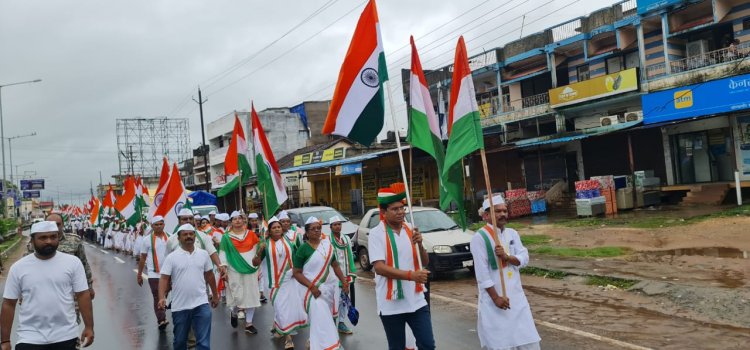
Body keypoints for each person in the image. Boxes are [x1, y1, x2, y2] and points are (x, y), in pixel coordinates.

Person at [1, 221, 94, 350]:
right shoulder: (18, 268)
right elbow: (9, 304)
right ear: (32, 240)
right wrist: (5, 340)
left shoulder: (73, 263)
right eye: (43, 238)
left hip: (66, 336)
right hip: (29, 338)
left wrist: (89, 327)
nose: (49, 241)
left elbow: (83, 295)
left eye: (53, 237)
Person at [471, 195, 541, 350]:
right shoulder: (479, 238)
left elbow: (524, 258)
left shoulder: (512, 233)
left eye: (504, 210)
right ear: (486, 215)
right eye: (498, 211)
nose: (503, 214)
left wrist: (507, 257)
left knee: (529, 342)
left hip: (516, 299)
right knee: (501, 344)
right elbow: (482, 275)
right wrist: (496, 298)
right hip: (495, 302)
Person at [369, 184, 434, 350]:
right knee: (397, 346)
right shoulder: (376, 234)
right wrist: (411, 276)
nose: (400, 212)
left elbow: (424, 261)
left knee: (427, 344)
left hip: (416, 300)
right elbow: (379, 268)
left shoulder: (410, 228)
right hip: (391, 303)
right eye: (395, 209)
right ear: (383, 212)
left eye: (402, 208)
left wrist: (420, 244)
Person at [158, 224, 219, 350]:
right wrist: (161, 297)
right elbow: (164, 278)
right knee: (180, 342)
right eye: (185, 234)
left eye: (191, 234)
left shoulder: (203, 254)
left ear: (195, 236)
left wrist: (215, 295)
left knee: (203, 343)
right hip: (180, 306)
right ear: (179, 238)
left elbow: (210, 276)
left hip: (201, 304)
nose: (188, 236)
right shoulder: (172, 257)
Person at [293, 217, 350, 350]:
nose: (317, 231)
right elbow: (296, 272)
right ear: (306, 232)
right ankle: (330, 346)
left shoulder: (327, 245)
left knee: (323, 319)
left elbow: (335, 266)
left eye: (319, 228)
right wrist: (312, 287)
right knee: (321, 318)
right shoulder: (303, 249)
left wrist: (344, 281)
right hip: (311, 291)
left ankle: (315, 343)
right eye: (313, 229)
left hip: (328, 289)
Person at [260, 217, 305, 350]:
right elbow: (255, 262)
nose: (277, 229)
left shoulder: (289, 242)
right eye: (274, 228)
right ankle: (285, 334)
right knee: (280, 307)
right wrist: (259, 251)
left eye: (278, 227)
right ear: (270, 231)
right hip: (275, 282)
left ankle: (286, 335)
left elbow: (298, 256)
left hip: (290, 279)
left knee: (288, 308)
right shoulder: (265, 244)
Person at [218, 211, 263, 334]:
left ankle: (249, 323)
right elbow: (222, 253)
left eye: (240, 218)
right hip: (233, 269)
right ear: (231, 222)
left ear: (244, 221)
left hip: (250, 269)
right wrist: (224, 268)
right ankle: (234, 311)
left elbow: (257, 250)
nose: (237, 221)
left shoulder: (251, 234)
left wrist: (263, 244)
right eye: (234, 219)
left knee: (251, 294)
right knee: (236, 294)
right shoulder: (226, 237)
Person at [137, 216, 170, 330]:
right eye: (156, 224)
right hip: (154, 274)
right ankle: (161, 319)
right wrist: (139, 274)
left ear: (164, 225)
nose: (159, 226)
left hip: (169, 274)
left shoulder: (170, 237)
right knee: (157, 296)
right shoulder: (147, 240)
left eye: (161, 224)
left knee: (167, 295)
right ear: (152, 226)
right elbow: (142, 258)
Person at [329, 215, 357, 335]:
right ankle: (331, 324)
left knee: (344, 300)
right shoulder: (328, 240)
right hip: (334, 276)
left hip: (346, 274)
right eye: (335, 224)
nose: (337, 226)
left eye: (339, 224)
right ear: (330, 227)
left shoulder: (346, 239)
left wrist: (351, 272)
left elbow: (351, 255)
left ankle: (341, 322)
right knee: (335, 300)